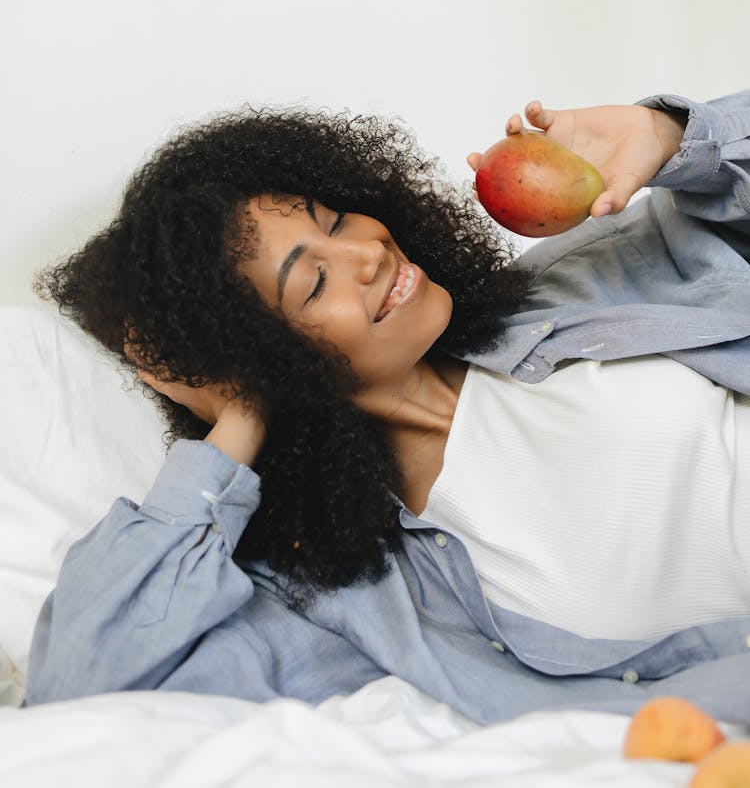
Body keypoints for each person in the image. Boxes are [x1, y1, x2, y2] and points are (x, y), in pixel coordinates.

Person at [24, 89, 750, 726]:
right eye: (312, 283)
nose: (368, 252)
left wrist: (668, 135)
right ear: (257, 356)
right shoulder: (349, 593)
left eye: (336, 219)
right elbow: (82, 689)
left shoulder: (568, 288)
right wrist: (237, 411)